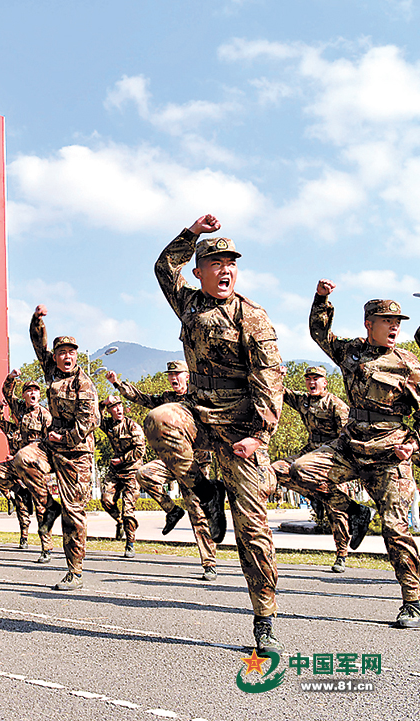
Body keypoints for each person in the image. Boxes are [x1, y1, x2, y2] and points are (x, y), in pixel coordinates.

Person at [144, 214, 284, 652]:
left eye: (231, 264)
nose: (225, 270)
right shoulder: (188, 303)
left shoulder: (252, 317)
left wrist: (260, 435)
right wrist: (191, 233)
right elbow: (164, 267)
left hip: (241, 429)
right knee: (160, 420)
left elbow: (270, 378)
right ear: (200, 271)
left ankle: (264, 618)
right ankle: (205, 492)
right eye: (216, 263)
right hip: (200, 414)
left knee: (252, 531)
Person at [291, 286, 420, 629]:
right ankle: (353, 511)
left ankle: (413, 601)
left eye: (397, 321)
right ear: (368, 323)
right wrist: (321, 300)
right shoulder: (351, 352)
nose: (394, 326)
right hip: (350, 446)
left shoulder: (408, 364)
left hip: (389, 454)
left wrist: (413, 444)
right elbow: (319, 333)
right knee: (300, 470)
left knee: (394, 529)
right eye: (387, 321)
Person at [107, 362, 218, 581]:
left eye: (177, 374)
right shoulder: (168, 398)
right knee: (144, 474)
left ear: (187, 376)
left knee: (198, 514)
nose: (173, 378)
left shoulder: (199, 397)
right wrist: (117, 384)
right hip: (171, 459)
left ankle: (209, 564)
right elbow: (142, 398)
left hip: (194, 464)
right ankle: (172, 510)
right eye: (170, 375)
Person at [11, 318, 99, 589]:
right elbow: (39, 345)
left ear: (76, 356)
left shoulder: (84, 384)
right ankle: (49, 504)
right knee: (23, 458)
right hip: (52, 446)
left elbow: (88, 422)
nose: (67, 357)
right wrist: (37, 321)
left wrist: (65, 437)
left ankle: (75, 571)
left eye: (71, 352)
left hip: (76, 451)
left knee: (73, 512)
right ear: (56, 357)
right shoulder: (52, 372)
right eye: (62, 353)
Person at [271, 366, 369, 573]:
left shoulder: (335, 405)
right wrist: (276, 374)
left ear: (325, 382)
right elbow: (281, 391)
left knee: (337, 510)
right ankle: (313, 494)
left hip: (331, 456)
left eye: (316, 379)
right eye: (308, 379)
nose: (311, 382)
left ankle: (342, 554)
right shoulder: (303, 400)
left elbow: (348, 436)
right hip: (309, 452)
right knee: (276, 470)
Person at [0, 372, 50, 552]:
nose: (32, 393)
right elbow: (6, 394)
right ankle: (24, 534)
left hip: (35, 467)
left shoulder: (45, 415)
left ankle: (46, 548)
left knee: (41, 507)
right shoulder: (18, 412)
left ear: (39, 395)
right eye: (29, 390)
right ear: (23, 395)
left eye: (35, 391)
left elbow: (49, 444)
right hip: (17, 466)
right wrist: (11, 377)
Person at [99, 395, 144, 558]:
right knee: (106, 500)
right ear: (109, 410)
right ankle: (119, 522)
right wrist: (102, 403)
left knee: (128, 510)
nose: (118, 409)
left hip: (132, 469)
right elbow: (94, 417)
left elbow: (140, 450)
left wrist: (122, 459)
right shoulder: (108, 425)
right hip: (116, 470)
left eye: (120, 406)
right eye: (114, 407)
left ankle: (130, 544)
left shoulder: (132, 426)